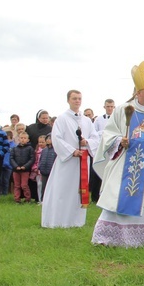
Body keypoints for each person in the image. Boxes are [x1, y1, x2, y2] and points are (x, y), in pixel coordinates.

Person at [91, 61, 144, 247]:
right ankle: (108, 238)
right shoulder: (123, 110)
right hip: (123, 164)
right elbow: (109, 134)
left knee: (143, 197)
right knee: (117, 196)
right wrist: (120, 141)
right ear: (138, 92)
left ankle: (142, 239)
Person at [41, 90, 100, 227]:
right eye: (74, 98)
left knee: (78, 191)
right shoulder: (62, 119)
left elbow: (95, 138)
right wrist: (72, 151)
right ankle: (59, 220)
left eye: (79, 98)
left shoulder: (86, 120)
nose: (77, 101)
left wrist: (87, 142)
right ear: (68, 100)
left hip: (83, 161)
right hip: (68, 161)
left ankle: (76, 221)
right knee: (63, 190)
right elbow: (56, 138)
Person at [91, 99, 116, 202]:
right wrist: (103, 133)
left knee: (111, 172)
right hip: (101, 148)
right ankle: (95, 197)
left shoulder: (117, 118)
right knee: (98, 171)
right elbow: (94, 133)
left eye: (111, 106)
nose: (110, 108)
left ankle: (109, 195)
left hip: (113, 149)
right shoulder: (98, 120)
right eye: (108, 106)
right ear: (104, 107)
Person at [25, 110, 52, 202]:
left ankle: (41, 198)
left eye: (46, 118)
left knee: (42, 180)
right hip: (31, 153)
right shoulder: (31, 128)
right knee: (32, 177)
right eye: (43, 118)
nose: (45, 120)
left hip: (45, 154)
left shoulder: (50, 129)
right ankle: (32, 196)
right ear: (38, 118)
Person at [10, 131, 35, 203]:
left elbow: (32, 159)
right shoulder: (14, 148)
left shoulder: (30, 148)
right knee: (17, 185)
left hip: (25, 170)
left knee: (24, 185)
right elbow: (11, 158)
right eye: (21, 138)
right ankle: (17, 199)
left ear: (28, 140)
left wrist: (25, 166)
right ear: (18, 139)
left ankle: (27, 199)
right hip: (16, 170)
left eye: (24, 138)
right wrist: (16, 166)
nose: (23, 139)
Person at [37, 134, 56, 202]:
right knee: (43, 187)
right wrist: (39, 167)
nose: (48, 140)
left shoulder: (56, 150)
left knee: (51, 187)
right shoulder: (44, 150)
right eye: (47, 139)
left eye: (50, 138)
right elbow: (41, 159)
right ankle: (42, 200)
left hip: (52, 171)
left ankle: (51, 201)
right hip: (44, 171)